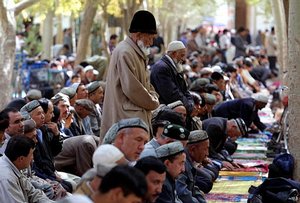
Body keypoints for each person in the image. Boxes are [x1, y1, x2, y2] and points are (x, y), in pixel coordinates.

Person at [100, 10, 160, 140]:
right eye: (149, 38)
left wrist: (153, 96)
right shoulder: (125, 52)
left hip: (135, 114)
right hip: (127, 117)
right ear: (138, 35)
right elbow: (133, 89)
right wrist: (153, 102)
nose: (151, 43)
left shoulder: (136, 52)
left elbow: (146, 83)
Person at [0, 136, 53, 203]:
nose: (32, 158)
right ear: (21, 159)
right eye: (31, 155)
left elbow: (32, 192)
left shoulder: (14, 165)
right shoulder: (6, 178)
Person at [150, 41, 194, 115]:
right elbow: (172, 95)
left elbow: (185, 90)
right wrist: (189, 107)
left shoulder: (175, 66)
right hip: (167, 112)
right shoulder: (161, 68)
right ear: (174, 54)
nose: (183, 59)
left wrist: (191, 104)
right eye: (182, 55)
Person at [177, 130, 209, 203]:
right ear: (193, 149)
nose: (207, 153)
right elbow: (182, 193)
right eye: (205, 149)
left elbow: (192, 188)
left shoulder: (189, 161)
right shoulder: (182, 163)